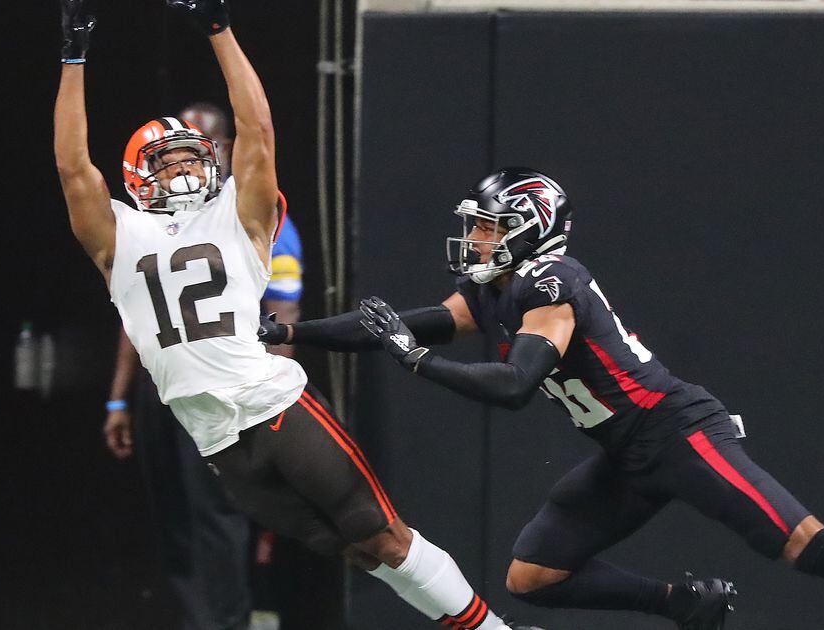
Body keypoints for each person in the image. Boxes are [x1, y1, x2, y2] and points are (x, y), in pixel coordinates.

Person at [258, 168, 824, 630]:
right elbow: (396, 324)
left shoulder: (551, 283)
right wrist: (290, 330)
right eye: (477, 227)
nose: (476, 241)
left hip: (675, 432)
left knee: (799, 540)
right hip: (624, 450)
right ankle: (685, 604)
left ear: (529, 231)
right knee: (532, 577)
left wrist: (415, 362)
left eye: (488, 228)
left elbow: (514, 387)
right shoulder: (497, 291)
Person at [53, 2, 533, 629]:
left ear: (211, 161)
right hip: (216, 439)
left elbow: (258, 127)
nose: (179, 169)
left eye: (187, 157)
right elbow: (71, 167)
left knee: (386, 536)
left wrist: (220, 32)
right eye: (163, 162)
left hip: (275, 408)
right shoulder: (119, 235)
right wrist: (73, 56)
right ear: (136, 177)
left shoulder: (239, 213)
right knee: (363, 553)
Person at [100, 100, 308, 630]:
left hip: (224, 384)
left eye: (199, 149)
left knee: (218, 513)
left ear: (223, 151)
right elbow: (138, 315)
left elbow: (284, 314)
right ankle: (199, 620)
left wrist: (262, 404)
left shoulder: (250, 213)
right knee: (174, 513)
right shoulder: (148, 219)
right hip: (164, 380)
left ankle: (229, 622)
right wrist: (120, 395)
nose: (182, 166)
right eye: (168, 157)